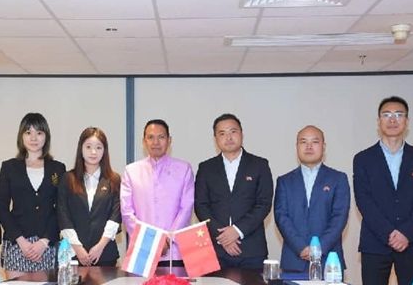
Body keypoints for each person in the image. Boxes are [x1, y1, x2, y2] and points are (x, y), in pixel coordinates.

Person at [353, 96, 413, 285]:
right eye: (386, 115)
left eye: (399, 115)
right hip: (375, 243)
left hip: (412, 243)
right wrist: (389, 234)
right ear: (378, 121)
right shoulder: (363, 159)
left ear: (407, 121)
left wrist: (406, 234)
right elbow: (364, 201)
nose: (392, 120)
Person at [194, 113, 273, 269]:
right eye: (222, 133)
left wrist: (237, 230)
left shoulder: (259, 165)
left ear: (242, 134)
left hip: (251, 249)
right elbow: (201, 205)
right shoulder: (206, 168)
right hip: (216, 249)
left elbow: (264, 204)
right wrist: (223, 237)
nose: (228, 137)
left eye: (233, 131)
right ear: (215, 138)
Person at [274, 125, 350, 278]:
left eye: (315, 142)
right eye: (303, 142)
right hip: (294, 260)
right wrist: (300, 247)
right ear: (297, 146)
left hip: (329, 262)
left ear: (323, 147)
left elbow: (339, 217)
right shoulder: (284, 181)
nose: (309, 146)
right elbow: (281, 217)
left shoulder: (338, 179)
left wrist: (318, 249)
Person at [0, 113, 66, 280]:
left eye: (39, 133)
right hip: (17, 243)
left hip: (46, 245)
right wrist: (21, 241)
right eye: (28, 132)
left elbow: (61, 208)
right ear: (21, 136)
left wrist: (44, 242)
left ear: (46, 136)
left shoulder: (58, 168)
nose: (34, 138)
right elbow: (1, 208)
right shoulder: (9, 167)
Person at [120, 119, 194, 267]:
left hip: (174, 250)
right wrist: (150, 242)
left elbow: (186, 208)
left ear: (169, 140)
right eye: (150, 137)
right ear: (144, 141)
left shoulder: (184, 169)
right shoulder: (131, 171)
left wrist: (168, 239)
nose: (156, 142)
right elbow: (127, 212)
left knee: (176, 283)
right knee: (138, 284)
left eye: (161, 137)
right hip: (141, 250)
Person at [58, 127, 121, 266]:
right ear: (81, 149)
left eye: (98, 147)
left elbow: (115, 215)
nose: (93, 152)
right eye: (88, 147)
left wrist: (100, 246)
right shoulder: (68, 178)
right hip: (73, 254)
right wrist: (78, 248)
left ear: (104, 151)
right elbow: (63, 214)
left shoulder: (114, 179)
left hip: (105, 254)